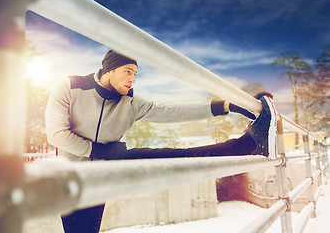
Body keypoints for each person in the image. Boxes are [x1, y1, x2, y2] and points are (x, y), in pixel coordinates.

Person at [45, 49, 277, 233]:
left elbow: (171, 111)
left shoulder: (131, 103)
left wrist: (225, 106)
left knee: (174, 156)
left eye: (135, 73)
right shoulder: (69, 86)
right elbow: (56, 134)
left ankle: (247, 145)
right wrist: (99, 151)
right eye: (128, 71)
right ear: (109, 70)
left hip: (104, 172)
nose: (133, 79)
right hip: (69, 179)